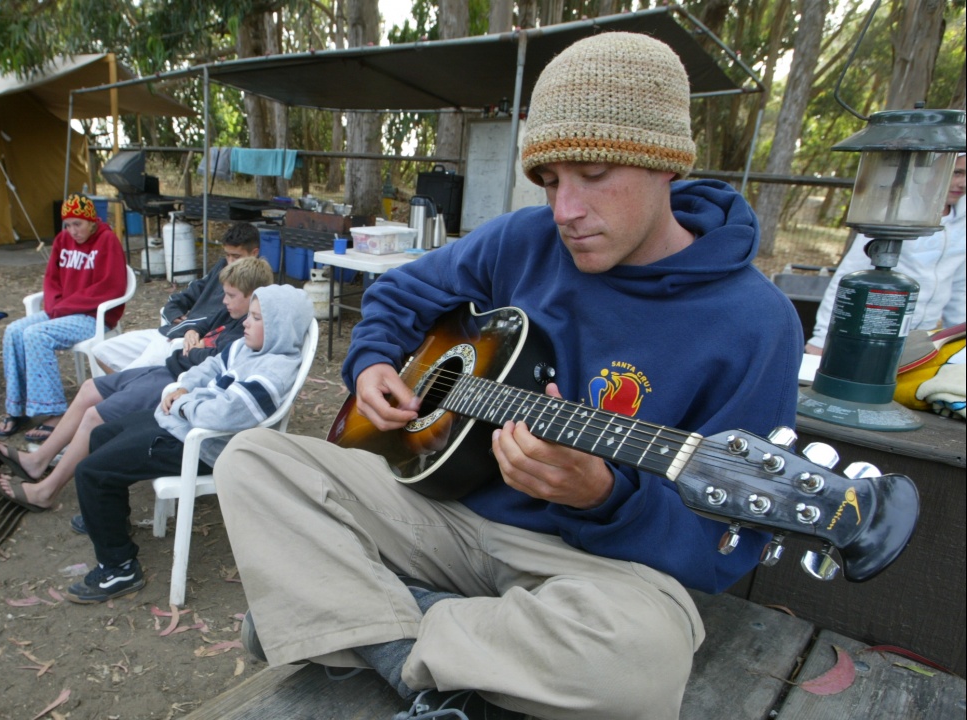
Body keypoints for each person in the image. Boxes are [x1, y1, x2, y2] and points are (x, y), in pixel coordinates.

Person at [212, 33, 802, 720]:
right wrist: (372, 361)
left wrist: (604, 497)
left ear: (665, 164)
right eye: (550, 182)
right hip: (441, 515)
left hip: (593, 568)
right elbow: (400, 297)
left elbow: (724, 545)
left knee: (645, 658)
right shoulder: (524, 239)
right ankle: (425, 651)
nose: (566, 211)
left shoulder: (755, 323)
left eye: (592, 173)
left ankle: (358, 630)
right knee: (254, 459)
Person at [59, 285, 313, 604]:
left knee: (91, 472)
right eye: (249, 315)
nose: (246, 322)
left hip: (207, 448)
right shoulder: (247, 349)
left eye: (257, 318)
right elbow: (209, 368)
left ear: (280, 327)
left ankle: (119, 568)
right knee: (101, 434)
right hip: (182, 427)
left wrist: (182, 403)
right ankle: (110, 518)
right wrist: (182, 387)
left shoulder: (274, 372)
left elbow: (222, 414)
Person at [0, 256, 275, 512]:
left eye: (230, 295)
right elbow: (203, 323)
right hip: (169, 366)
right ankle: (37, 460)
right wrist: (192, 331)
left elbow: (214, 361)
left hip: (175, 381)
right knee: (90, 387)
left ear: (253, 297)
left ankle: (45, 491)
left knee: (94, 416)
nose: (224, 300)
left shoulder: (248, 331)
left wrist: (194, 351)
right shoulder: (233, 312)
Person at [0, 195, 128, 441]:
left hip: (91, 316)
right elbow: (51, 280)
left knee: (36, 334)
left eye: (78, 224)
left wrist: (66, 307)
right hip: (61, 312)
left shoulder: (107, 240)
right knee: (13, 330)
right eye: (68, 225)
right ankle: (18, 407)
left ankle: (53, 412)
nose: (72, 231)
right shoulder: (62, 240)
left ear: (91, 221)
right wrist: (56, 305)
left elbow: (111, 286)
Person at [806, 152, 967, 355]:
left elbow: (960, 287)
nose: (962, 183)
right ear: (930, 171)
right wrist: (822, 338)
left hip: (922, 338)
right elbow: (849, 274)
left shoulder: (962, 222)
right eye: (957, 173)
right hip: (878, 327)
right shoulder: (894, 213)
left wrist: (960, 344)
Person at [90, 222, 261, 373]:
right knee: (101, 352)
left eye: (236, 257)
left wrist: (191, 328)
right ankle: (128, 400)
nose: (230, 261)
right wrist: (174, 315)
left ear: (254, 253)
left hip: (188, 343)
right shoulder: (222, 267)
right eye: (227, 255)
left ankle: (125, 398)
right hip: (171, 330)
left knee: (124, 380)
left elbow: (221, 325)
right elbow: (187, 294)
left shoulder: (255, 286)